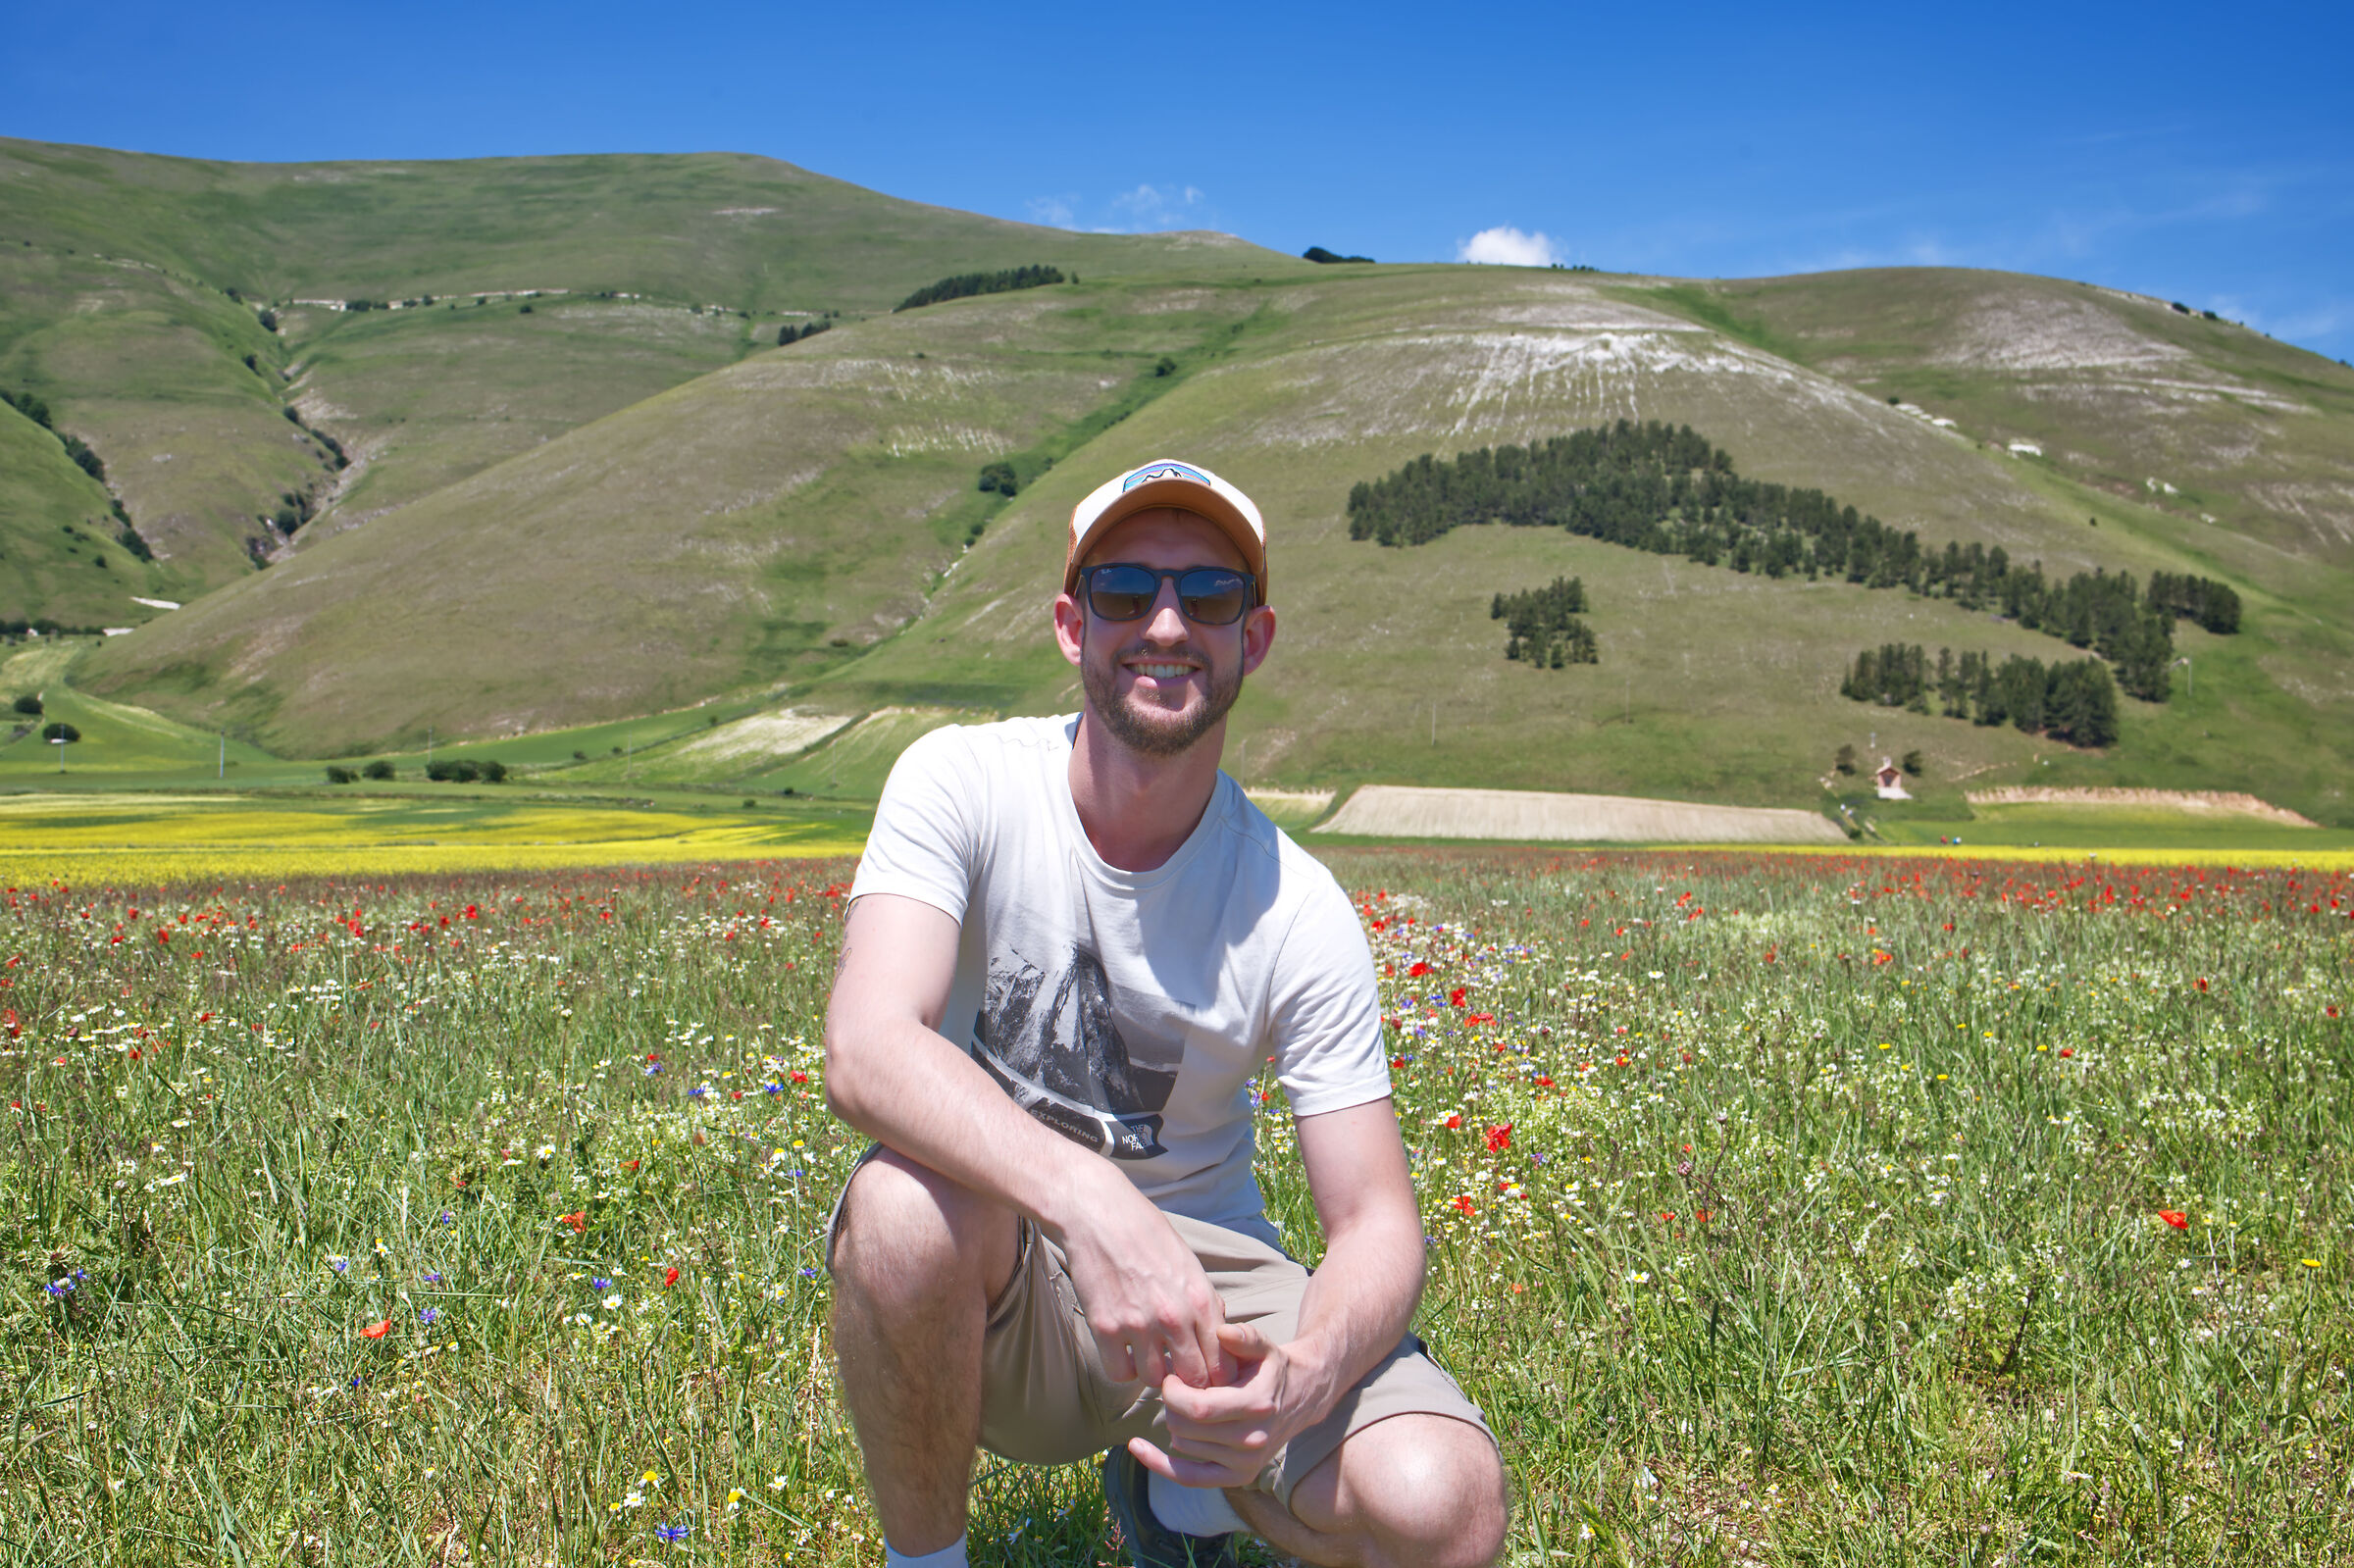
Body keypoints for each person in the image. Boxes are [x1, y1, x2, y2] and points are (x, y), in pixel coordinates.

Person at [823, 458, 1510, 1568]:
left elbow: (1379, 1224)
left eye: (1211, 596)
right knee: (901, 1211)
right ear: (1068, 624)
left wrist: (1309, 1373)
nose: (1167, 623)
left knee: (1448, 1509)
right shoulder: (960, 782)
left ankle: (1196, 1501)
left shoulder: (1299, 904)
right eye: (1125, 590)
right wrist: (1092, 1205)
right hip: (1007, 1268)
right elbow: (864, 1047)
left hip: (1214, 1305)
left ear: (1257, 637)